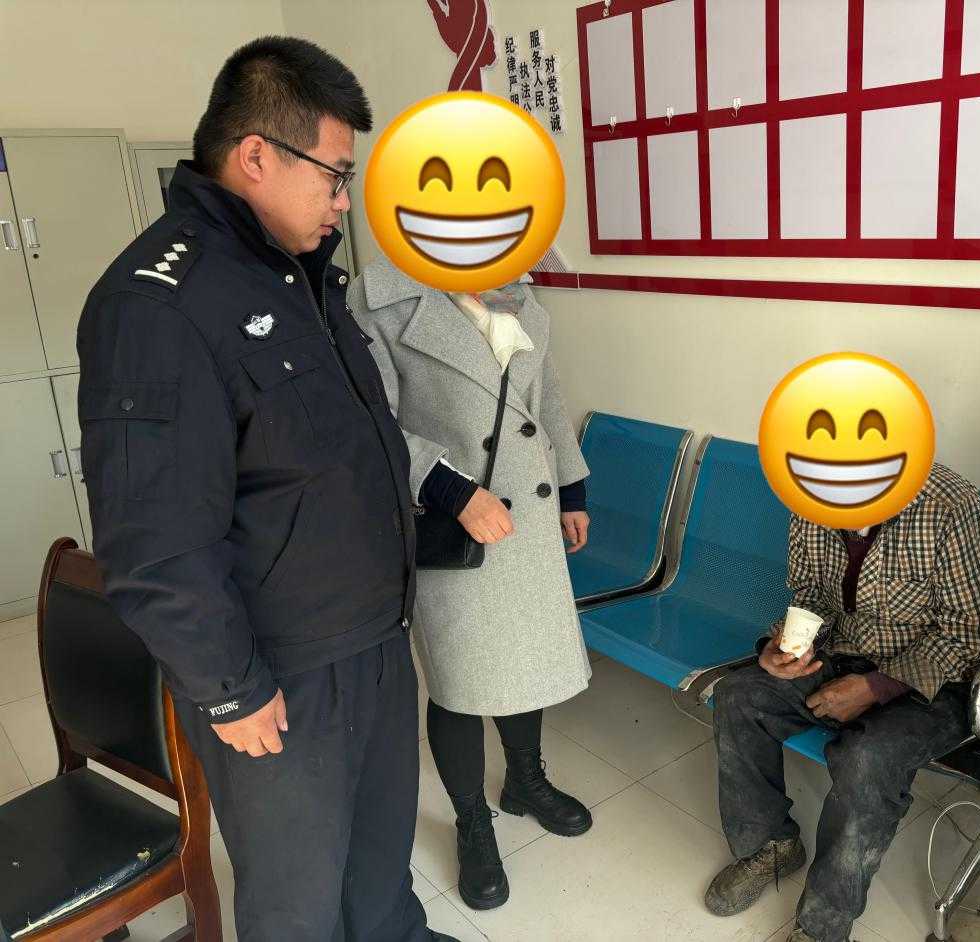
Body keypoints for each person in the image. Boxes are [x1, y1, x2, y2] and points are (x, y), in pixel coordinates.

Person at [78, 37, 456, 942]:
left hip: (371, 634)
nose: (342, 201)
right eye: (335, 176)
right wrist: (229, 689)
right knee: (297, 892)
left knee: (379, 850)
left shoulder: (299, 278)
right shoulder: (159, 303)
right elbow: (156, 544)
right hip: (278, 671)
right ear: (256, 155)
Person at [349, 256, 593, 910]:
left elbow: (545, 395)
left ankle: (525, 782)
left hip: (527, 516)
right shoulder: (379, 301)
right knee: (460, 680)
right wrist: (452, 491)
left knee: (524, 659)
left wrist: (572, 489)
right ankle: (471, 822)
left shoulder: (519, 296)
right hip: (449, 523)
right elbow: (369, 419)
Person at [703, 464, 980, 942]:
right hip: (843, 653)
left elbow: (972, 635)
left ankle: (823, 927)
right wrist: (785, 646)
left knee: (866, 758)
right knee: (739, 696)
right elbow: (811, 593)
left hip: (940, 681)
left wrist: (875, 687)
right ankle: (771, 845)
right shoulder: (808, 490)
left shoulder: (949, 505)